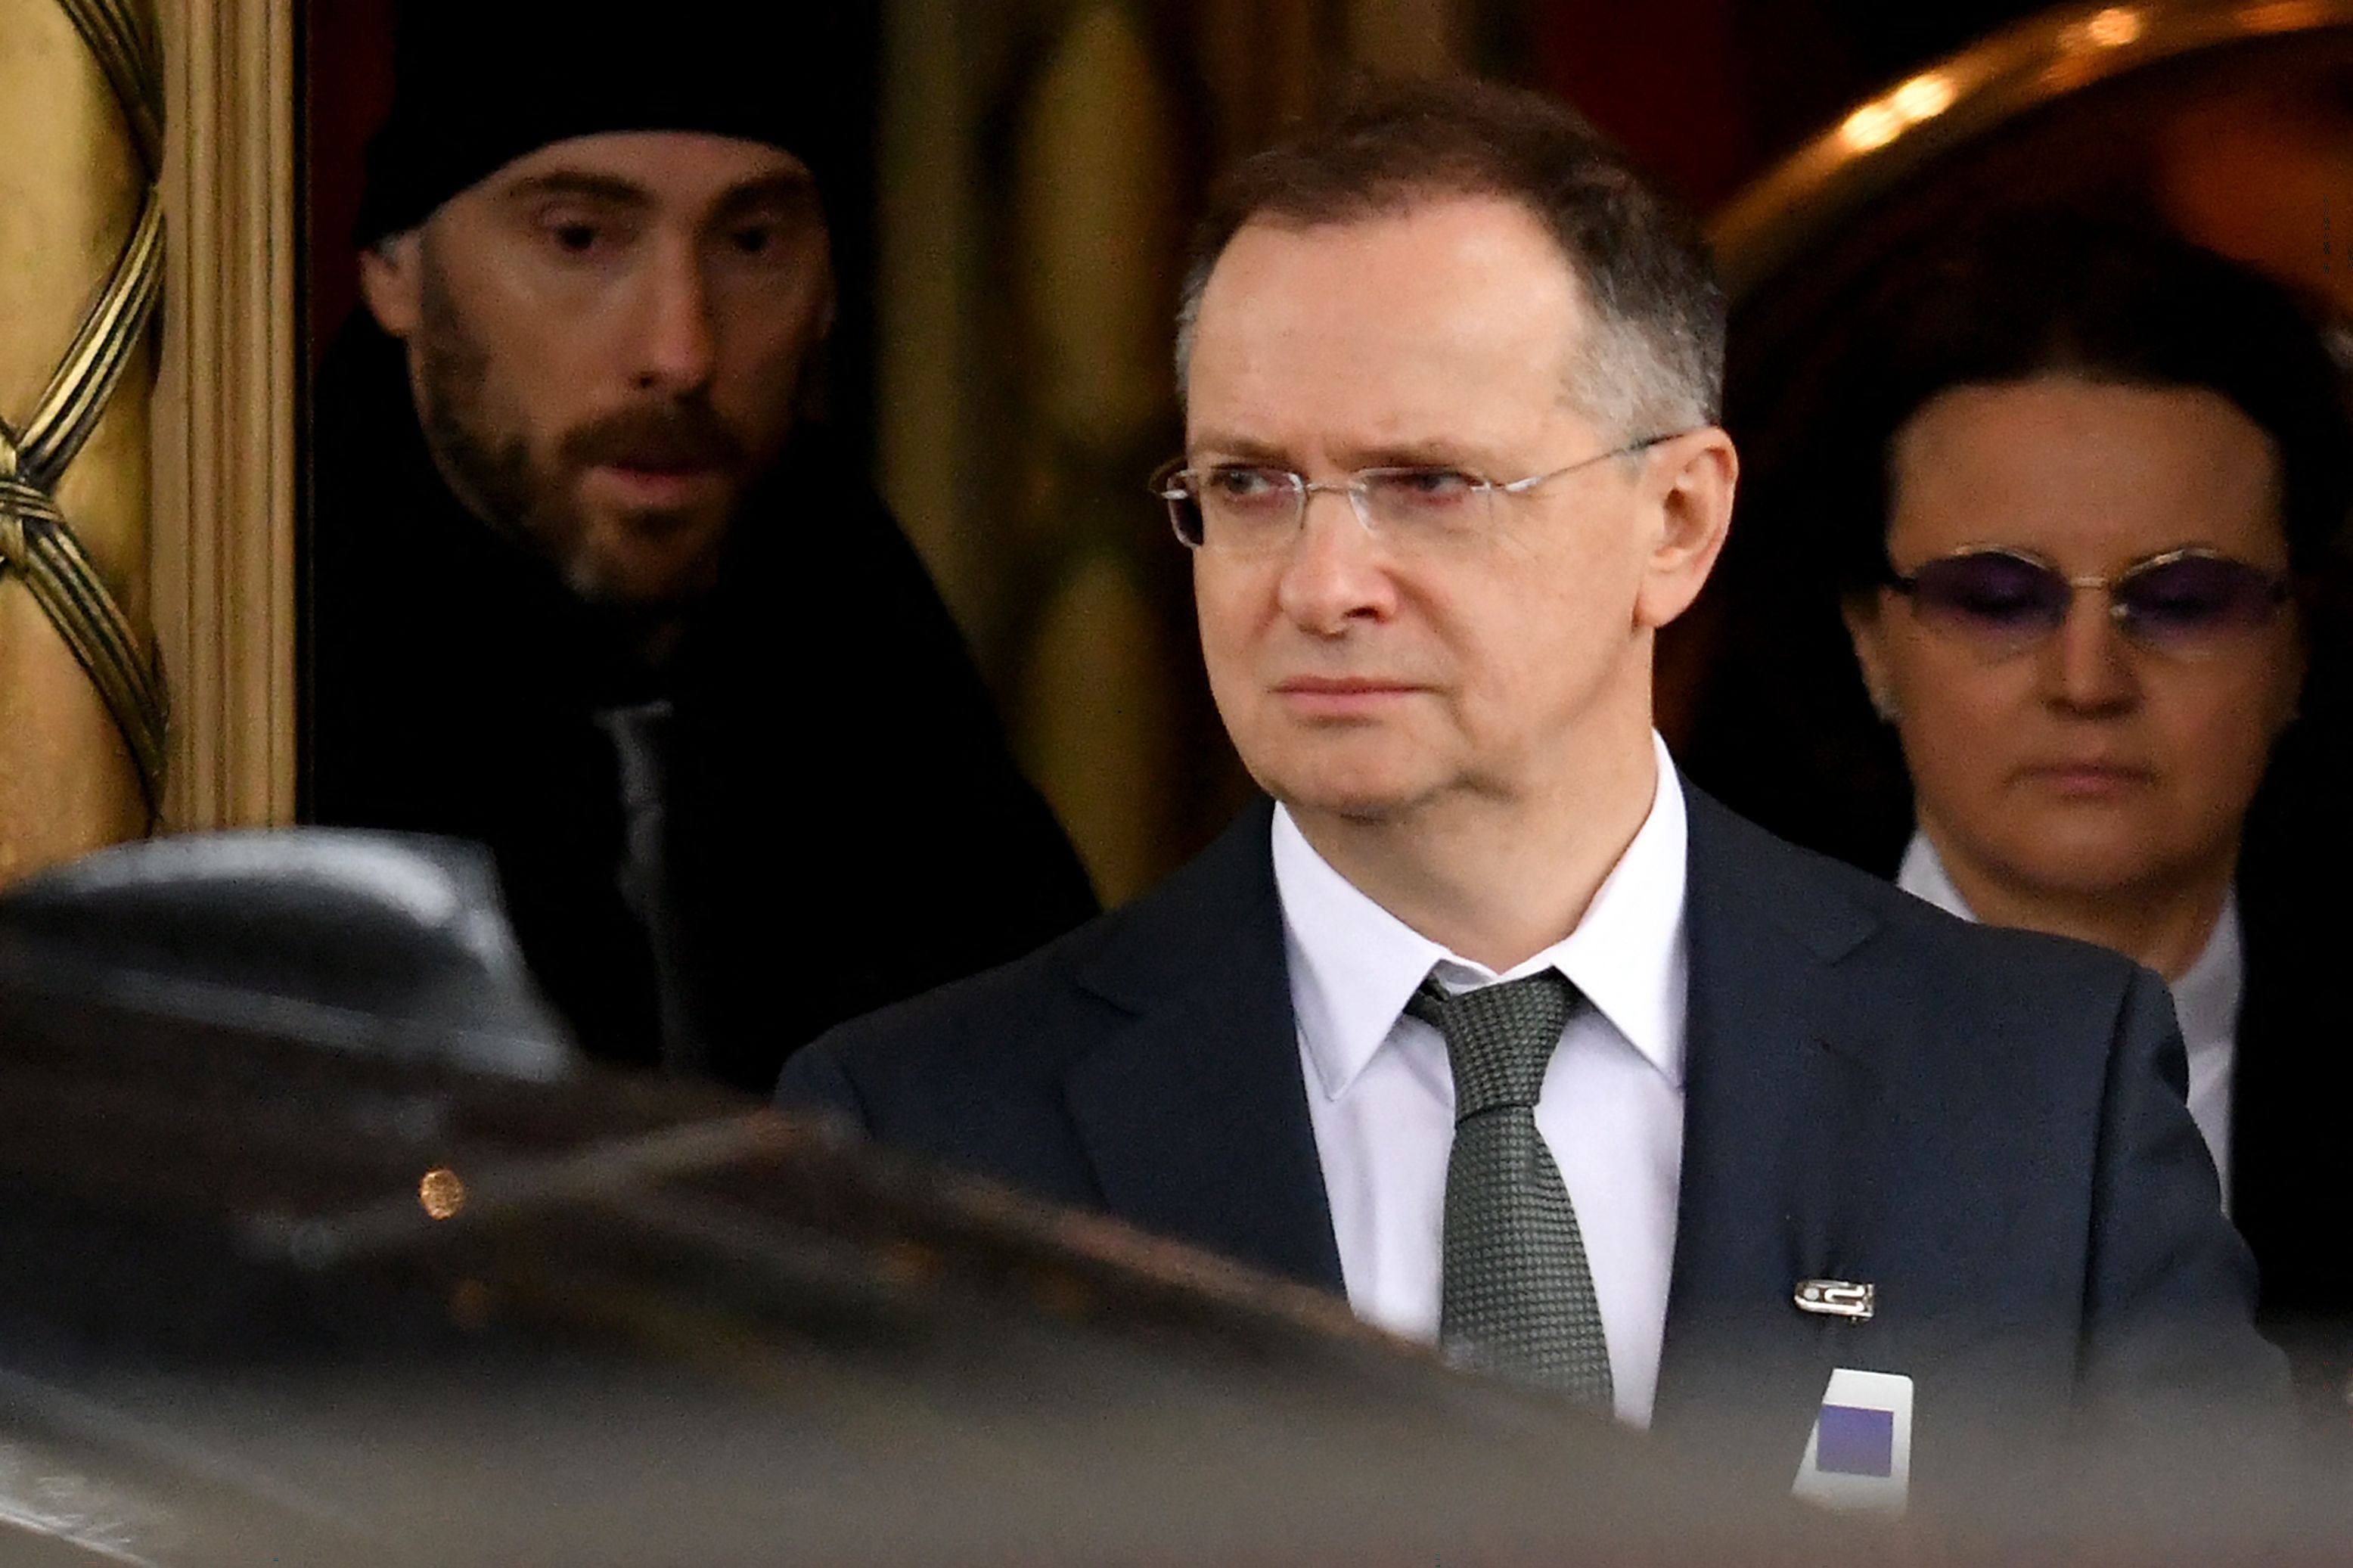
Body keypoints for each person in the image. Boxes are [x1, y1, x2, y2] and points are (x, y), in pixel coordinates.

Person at [779, 80, 2283, 1501]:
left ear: (1675, 520)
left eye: (1428, 484)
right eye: (1248, 484)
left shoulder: (2040, 1093)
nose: (1319, 584)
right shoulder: (917, 1134)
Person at [309, 1, 1097, 1094]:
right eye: (580, 239)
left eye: (752, 244)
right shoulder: (261, 643)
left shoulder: (870, 649)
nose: (682, 352)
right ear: (394, 267)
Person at [1821, 216, 2353, 1412]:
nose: (2087, 681)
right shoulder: (1673, 1039)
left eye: (2185, 600)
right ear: (1869, 637)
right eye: (1997, 598)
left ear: (2296, 648)